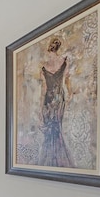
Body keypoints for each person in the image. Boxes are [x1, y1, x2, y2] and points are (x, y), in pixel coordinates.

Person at [38, 37, 74, 168]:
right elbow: (67, 79)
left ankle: (51, 159)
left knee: (50, 129)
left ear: (49, 49)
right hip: (59, 99)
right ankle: (57, 158)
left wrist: (40, 108)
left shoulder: (44, 67)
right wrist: (70, 93)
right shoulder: (64, 61)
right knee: (57, 127)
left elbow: (44, 90)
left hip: (48, 100)